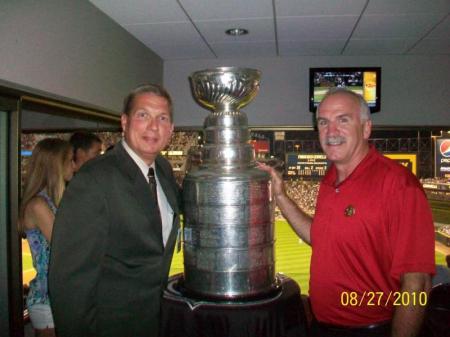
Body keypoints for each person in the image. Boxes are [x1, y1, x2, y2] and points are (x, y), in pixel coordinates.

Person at [259, 88, 435, 337]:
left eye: (343, 120)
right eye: (323, 122)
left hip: (372, 330)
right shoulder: (330, 179)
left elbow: (417, 284)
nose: (331, 132)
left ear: (366, 128)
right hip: (321, 327)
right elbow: (319, 237)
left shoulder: (399, 184)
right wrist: (280, 196)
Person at [48, 84, 180, 337]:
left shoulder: (163, 169)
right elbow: (70, 280)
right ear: (124, 121)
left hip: (155, 322)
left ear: (171, 129)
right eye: (143, 115)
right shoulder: (94, 179)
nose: (154, 126)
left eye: (162, 118)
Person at [18, 138, 74, 337]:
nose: (74, 165)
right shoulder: (38, 205)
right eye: (69, 160)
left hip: (61, 295)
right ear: (55, 165)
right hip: (46, 297)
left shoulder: (55, 200)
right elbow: (67, 248)